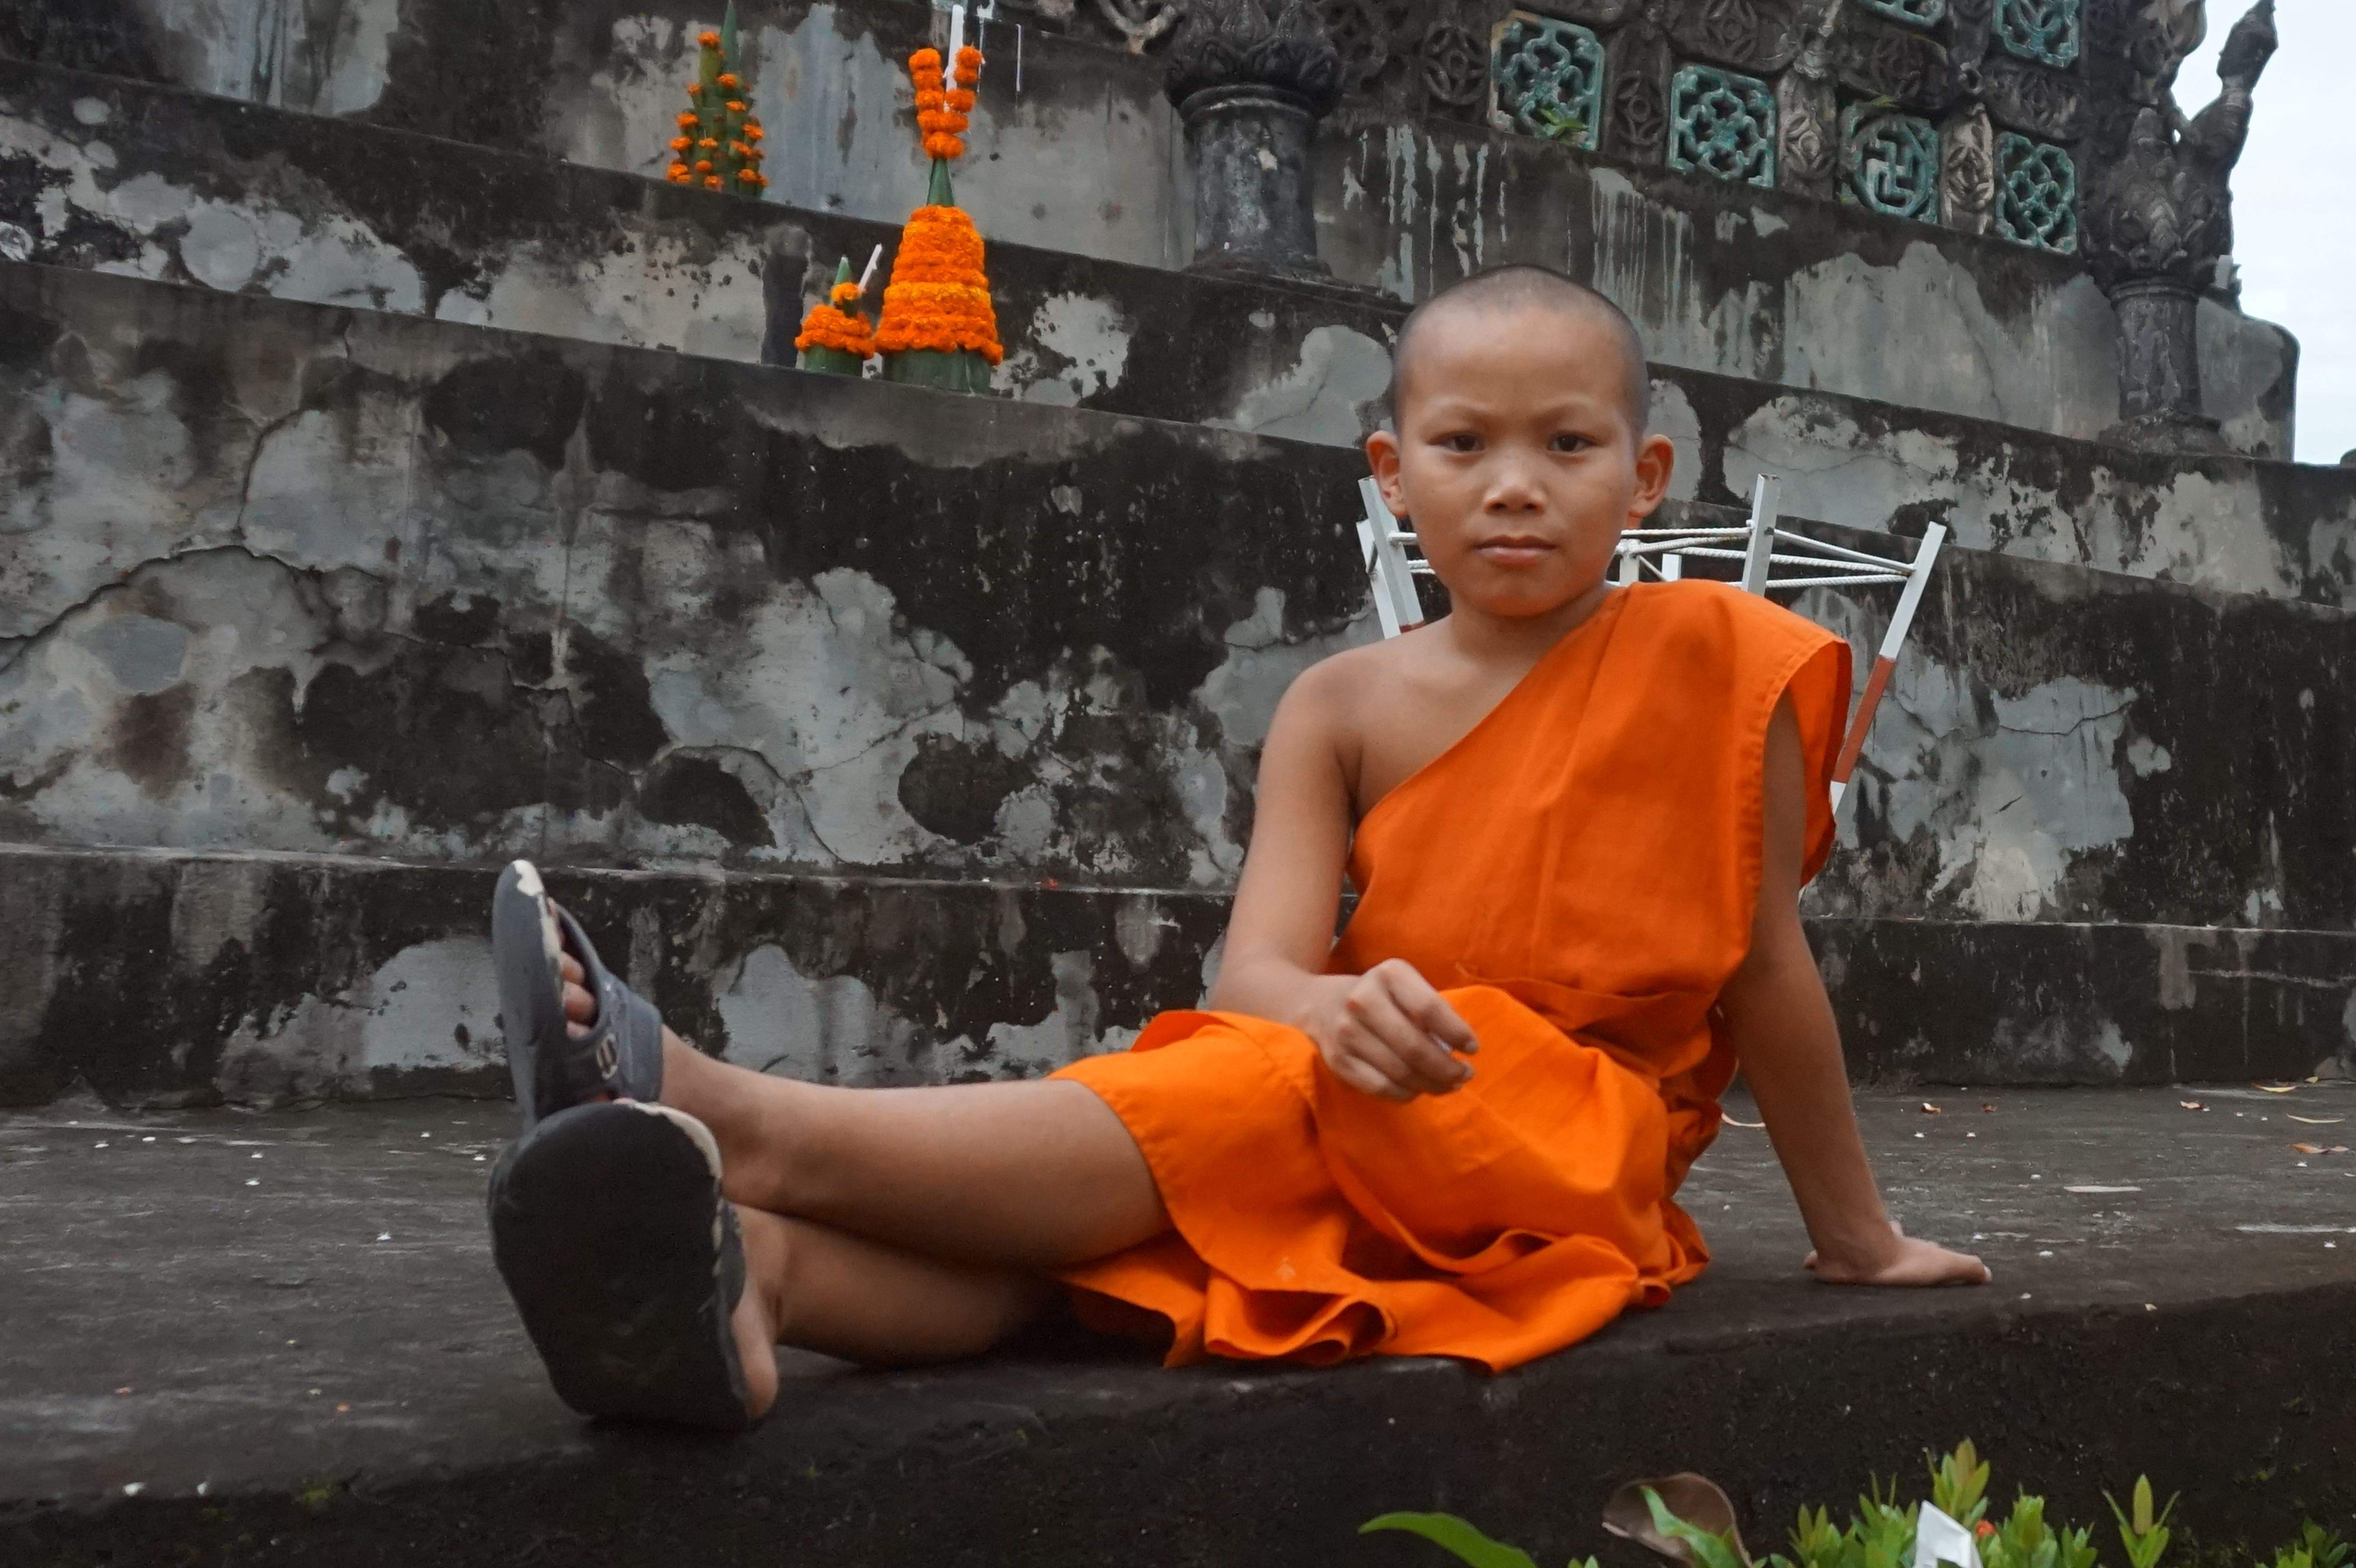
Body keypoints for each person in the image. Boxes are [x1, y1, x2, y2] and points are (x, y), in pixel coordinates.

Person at [483, 263, 1990, 1432]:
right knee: (1108, 1254)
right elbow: (1263, 970)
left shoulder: (1722, 662)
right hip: (1346, 1082)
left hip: (1562, 1138)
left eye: (1568, 443)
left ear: (1646, 476)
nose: (1515, 483)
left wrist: (1857, 1238)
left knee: (1237, 1105)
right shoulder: (1338, 704)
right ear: (1394, 476)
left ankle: (730, 1113)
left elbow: (1766, 969)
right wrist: (1335, 1006)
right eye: (1464, 444)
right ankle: (758, 1281)